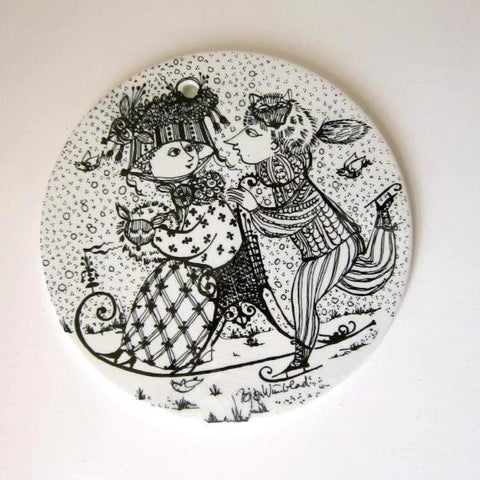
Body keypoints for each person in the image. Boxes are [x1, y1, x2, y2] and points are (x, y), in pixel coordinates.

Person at [226, 91, 399, 372]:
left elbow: (287, 221)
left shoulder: (295, 182)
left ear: (276, 142)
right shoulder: (280, 174)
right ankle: (383, 212)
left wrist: (254, 208)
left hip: (333, 245)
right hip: (322, 248)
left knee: (303, 294)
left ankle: (300, 360)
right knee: (366, 275)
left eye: (251, 133)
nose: (235, 140)